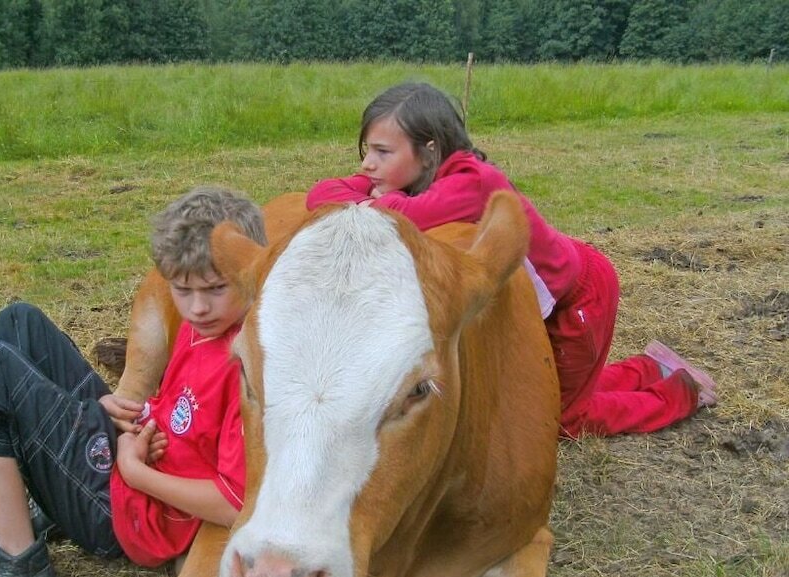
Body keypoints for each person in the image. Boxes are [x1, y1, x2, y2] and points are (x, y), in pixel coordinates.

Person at [0, 186, 267, 577]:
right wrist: (123, 414)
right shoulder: (205, 328)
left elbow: (235, 502)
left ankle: (16, 569)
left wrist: (136, 472)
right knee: (20, 322)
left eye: (215, 288)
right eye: (182, 290)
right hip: (131, 461)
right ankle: (45, 506)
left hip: (123, 515)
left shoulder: (248, 368)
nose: (197, 307)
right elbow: (182, 412)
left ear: (252, 274)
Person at [306, 82, 717, 438]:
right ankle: (650, 369)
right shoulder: (418, 176)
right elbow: (320, 194)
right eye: (366, 151)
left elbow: (402, 217)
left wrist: (376, 200)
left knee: (557, 420)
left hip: (578, 299)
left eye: (381, 151)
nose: (366, 164)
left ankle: (683, 395)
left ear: (429, 151)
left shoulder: (474, 181)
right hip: (548, 301)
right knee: (542, 390)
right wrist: (370, 189)